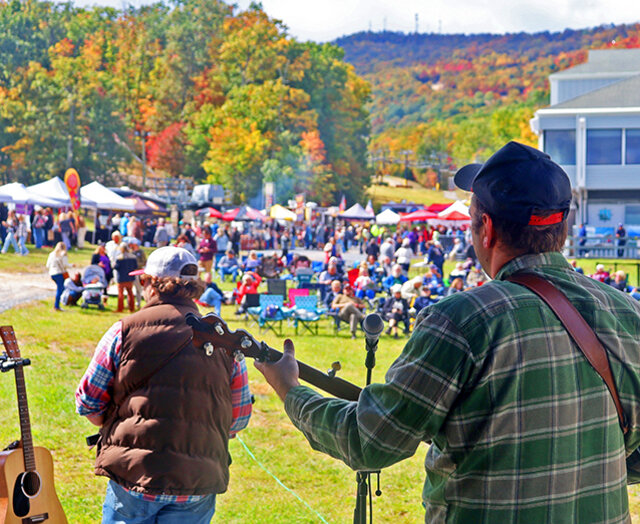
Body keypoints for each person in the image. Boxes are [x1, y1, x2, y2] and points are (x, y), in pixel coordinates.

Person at [255, 141, 640, 523]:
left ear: (485, 228)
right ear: (563, 227)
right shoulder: (627, 313)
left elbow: (370, 442)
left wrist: (291, 390)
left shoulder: (462, 321)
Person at [75, 246, 252, 522]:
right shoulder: (224, 339)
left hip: (134, 477)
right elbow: (238, 419)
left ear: (150, 283)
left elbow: (88, 403)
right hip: (196, 480)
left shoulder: (124, 330)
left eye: (142, 280)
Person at [113, 243, 138, 313]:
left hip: (121, 278)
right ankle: (131, 308)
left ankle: (120, 308)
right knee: (130, 293)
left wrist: (113, 264)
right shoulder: (133, 257)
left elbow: (116, 267)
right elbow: (135, 267)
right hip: (130, 278)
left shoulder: (119, 258)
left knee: (121, 293)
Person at [46, 242, 69, 311]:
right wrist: (72, 265)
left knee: (60, 289)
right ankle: (57, 306)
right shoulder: (63, 254)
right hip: (59, 273)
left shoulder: (51, 254)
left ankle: (57, 304)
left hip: (52, 274)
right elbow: (65, 265)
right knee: (60, 289)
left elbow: (47, 265)